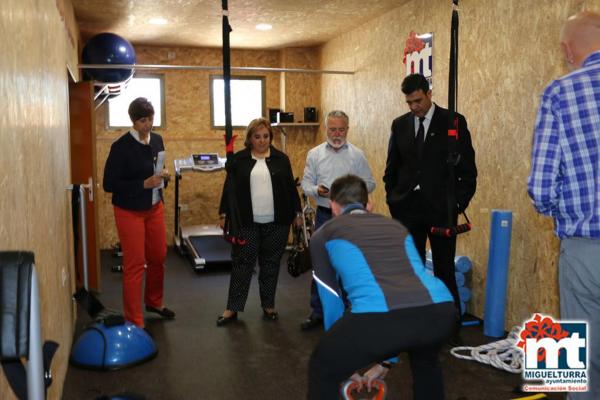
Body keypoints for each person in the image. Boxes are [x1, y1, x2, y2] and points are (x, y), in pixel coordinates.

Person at [307, 174, 455, 400]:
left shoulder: (323, 234)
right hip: (440, 311)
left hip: (380, 317)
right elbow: (408, 287)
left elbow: (331, 299)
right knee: (425, 363)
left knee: (323, 365)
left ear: (334, 207)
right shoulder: (397, 228)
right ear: (369, 205)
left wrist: (345, 362)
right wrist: (387, 361)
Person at [527, 11, 600, 400]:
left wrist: (564, 209)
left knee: (580, 355)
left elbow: (540, 186)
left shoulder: (560, 91)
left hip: (585, 248)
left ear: (568, 50)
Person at [383, 73, 477, 325]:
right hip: (407, 209)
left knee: (444, 268)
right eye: (409, 103)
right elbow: (392, 168)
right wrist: (394, 199)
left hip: (441, 210)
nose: (414, 107)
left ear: (429, 93)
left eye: (418, 101)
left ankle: (449, 324)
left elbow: (468, 170)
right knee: (411, 269)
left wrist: (458, 203)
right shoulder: (400, 125)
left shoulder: (453, 122)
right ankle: (413, 323)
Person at [217, 117, 302, 326]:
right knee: (242, 264)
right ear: (250, 139)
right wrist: (223, 214)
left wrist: (297, 213)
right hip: (246, 223)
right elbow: (230, 189)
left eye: (266, 136)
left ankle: (268, 305)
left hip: (278, 222)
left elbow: (291, 189)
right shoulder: (238, 160)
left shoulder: (282, 159)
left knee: (271, 264)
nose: (262, 141)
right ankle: (232, 308)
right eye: (257, 137)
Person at [299, 110, 376, 330]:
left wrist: (352, 191)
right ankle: (317, 312)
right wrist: (317, 190)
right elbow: (306, 185)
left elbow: (370, 184)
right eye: (332, 129)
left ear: (347, 129)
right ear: (326, 129)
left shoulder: (357, 155)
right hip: (324, 215)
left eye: (341, 129)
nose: (337, 133)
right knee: (320, 265)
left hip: (351, 219)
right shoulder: (314, 154)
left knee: (349, 265)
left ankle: (350, 313)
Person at [103, 97, 175, 328]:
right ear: (133, 121)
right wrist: (142, 185)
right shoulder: (120, 147)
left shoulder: (157, 140)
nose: (148, 124)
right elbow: (109, 184)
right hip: (128, 210)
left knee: (158, 256)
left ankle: (154, 302)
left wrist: (164, 177)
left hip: (154, 207)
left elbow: (157, 170)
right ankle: (134, 320)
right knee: (135, 263)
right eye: (143, 120)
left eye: (151, 119)